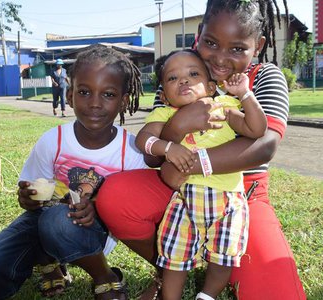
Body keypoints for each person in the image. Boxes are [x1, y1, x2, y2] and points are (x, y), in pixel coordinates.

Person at [96, 0, 307, 299]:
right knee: (116, 195)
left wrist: (188, 164)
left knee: (278, 292)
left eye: (236, 49)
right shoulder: (179, 73)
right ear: (199, 34)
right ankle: (169, 267)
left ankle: (213, 261)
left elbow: (264, 145)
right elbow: (152, 155)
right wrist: (180, 124)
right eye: (210, 43)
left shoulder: (262, 77)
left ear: (257, 45)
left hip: (241, 194)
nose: (220, 59)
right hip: (180, 192)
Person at [0, 44, 145, 300]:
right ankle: (50, 263)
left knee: (57, 220)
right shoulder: (52, 140)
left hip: (93, 229)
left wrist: (98, 208)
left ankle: (104, 276)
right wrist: (28, 198)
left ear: (123, 101)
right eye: (84, 92)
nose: (95, 103)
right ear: (69, 95)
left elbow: (135, 209)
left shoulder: (131, 150)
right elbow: (32, 193)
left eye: (108, 94)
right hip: (48, 220)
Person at [135, 49, 266, 300]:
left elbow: (257, 128)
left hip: (228, 201)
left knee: (224, 256)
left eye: (193, 74)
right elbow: (144, 140)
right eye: (173, 78)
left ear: (209, 86)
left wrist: (245, 94)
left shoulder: (224, 106)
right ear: (163, 94)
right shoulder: (164, 113)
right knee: (174, 256)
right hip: (185, 203)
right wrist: (168, 147)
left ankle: (206, 296)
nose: (183, 80)